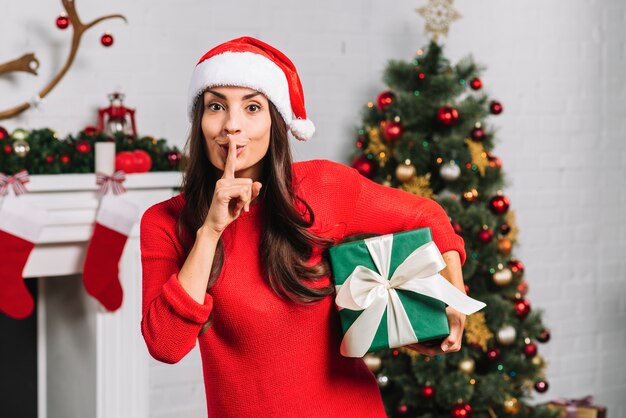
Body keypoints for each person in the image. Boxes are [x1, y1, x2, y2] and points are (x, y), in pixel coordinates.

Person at [140, 36, 468, 418]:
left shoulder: (322, 188)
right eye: (216, 106)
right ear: (200, 121)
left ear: (275, 121)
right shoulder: (164, 222)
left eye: (252, 107)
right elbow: (166, 345)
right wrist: (210, 231)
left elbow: (428, 216)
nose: (232, 125)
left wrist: (453, 301)